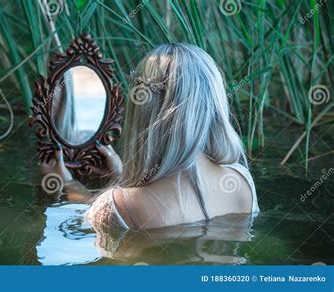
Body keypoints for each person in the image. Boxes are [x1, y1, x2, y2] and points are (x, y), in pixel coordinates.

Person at [41, 43, 259, 230]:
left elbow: (103, 216)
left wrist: (67, 184)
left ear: (143, 112)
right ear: (216, 104)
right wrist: (120, 176)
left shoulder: (118, 206)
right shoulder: (242, 182)